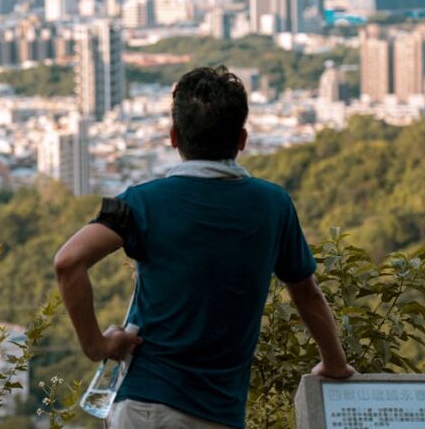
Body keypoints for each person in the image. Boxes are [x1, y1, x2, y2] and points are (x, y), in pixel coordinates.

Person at [54, 66, 355, 428]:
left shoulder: (142, 203)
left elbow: (69, 261)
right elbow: (305, 292)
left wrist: (97, 346)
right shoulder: (273, 205)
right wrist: (334, 362)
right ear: (242, 139)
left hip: (144, 406)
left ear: (174, 137)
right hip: (217, 412)